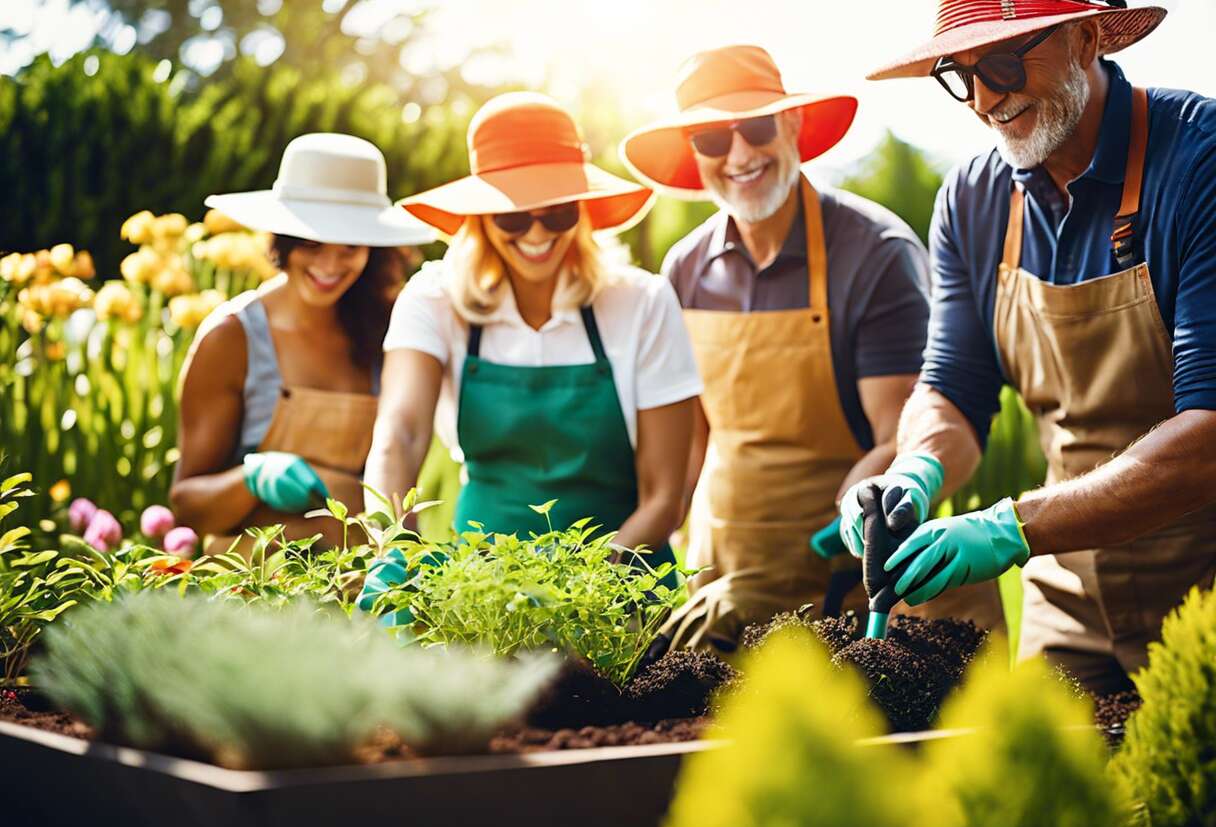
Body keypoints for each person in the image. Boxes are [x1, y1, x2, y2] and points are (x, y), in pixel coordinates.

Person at [846, 0, 1216, 693]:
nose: (984, 99)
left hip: (1204, 591)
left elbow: (1207, 440)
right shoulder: (972, 200)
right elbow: (952, 388)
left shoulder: (1201, 161)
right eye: (959, 75)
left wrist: (1008, 529)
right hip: (1066, 592)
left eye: (1004, 63)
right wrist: (915, 472)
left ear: (1083, 40)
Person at [620, 45, 1004, 656]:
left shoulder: (874, 254)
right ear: (695, 155)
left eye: (755, 127)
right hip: (729, 576)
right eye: (714, 140)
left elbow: (900, 438)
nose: (740, 155)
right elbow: (694, 439)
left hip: (851, 579)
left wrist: (829, 537)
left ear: (792, 122)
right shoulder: (686, 268)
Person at [359, 93, 702, 604]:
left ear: (583, 212)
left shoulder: (641, 303)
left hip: (623, 588)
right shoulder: (433, 300)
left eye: (559, 214)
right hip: (483, 589)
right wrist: (393, 547)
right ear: (479, 217)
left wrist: (579, 594)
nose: (538, 234)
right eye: (513, 219)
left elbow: (664, 498)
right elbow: (400, 436)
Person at [171, 133, 435, 554]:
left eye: (350, 246)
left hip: (365, 577)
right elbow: (187, 505)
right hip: (257, 586)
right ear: (283, 238)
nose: (330, 265)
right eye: (312, 244)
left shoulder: (390, 327)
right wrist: (254, 479)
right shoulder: (232, 337)